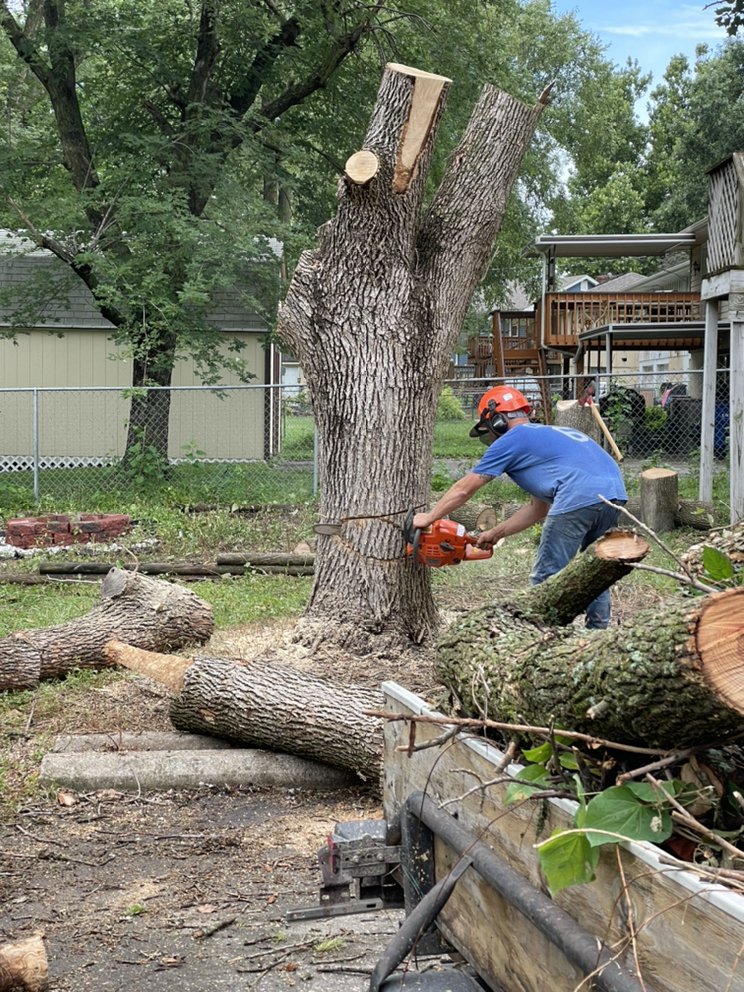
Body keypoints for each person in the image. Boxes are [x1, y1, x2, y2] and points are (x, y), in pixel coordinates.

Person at [412, 385, 627, 629]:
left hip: (578, 494)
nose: (490, 439)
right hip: (616, 493)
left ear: (497, 420)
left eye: (488, 431)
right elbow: (539, 509)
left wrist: (429, 517)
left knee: (547, 575)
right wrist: (495, 533)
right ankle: (598, 634)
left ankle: (542, 637)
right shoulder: (550, 435)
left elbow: (465, 488)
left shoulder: (514, 438)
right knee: (596, 570)